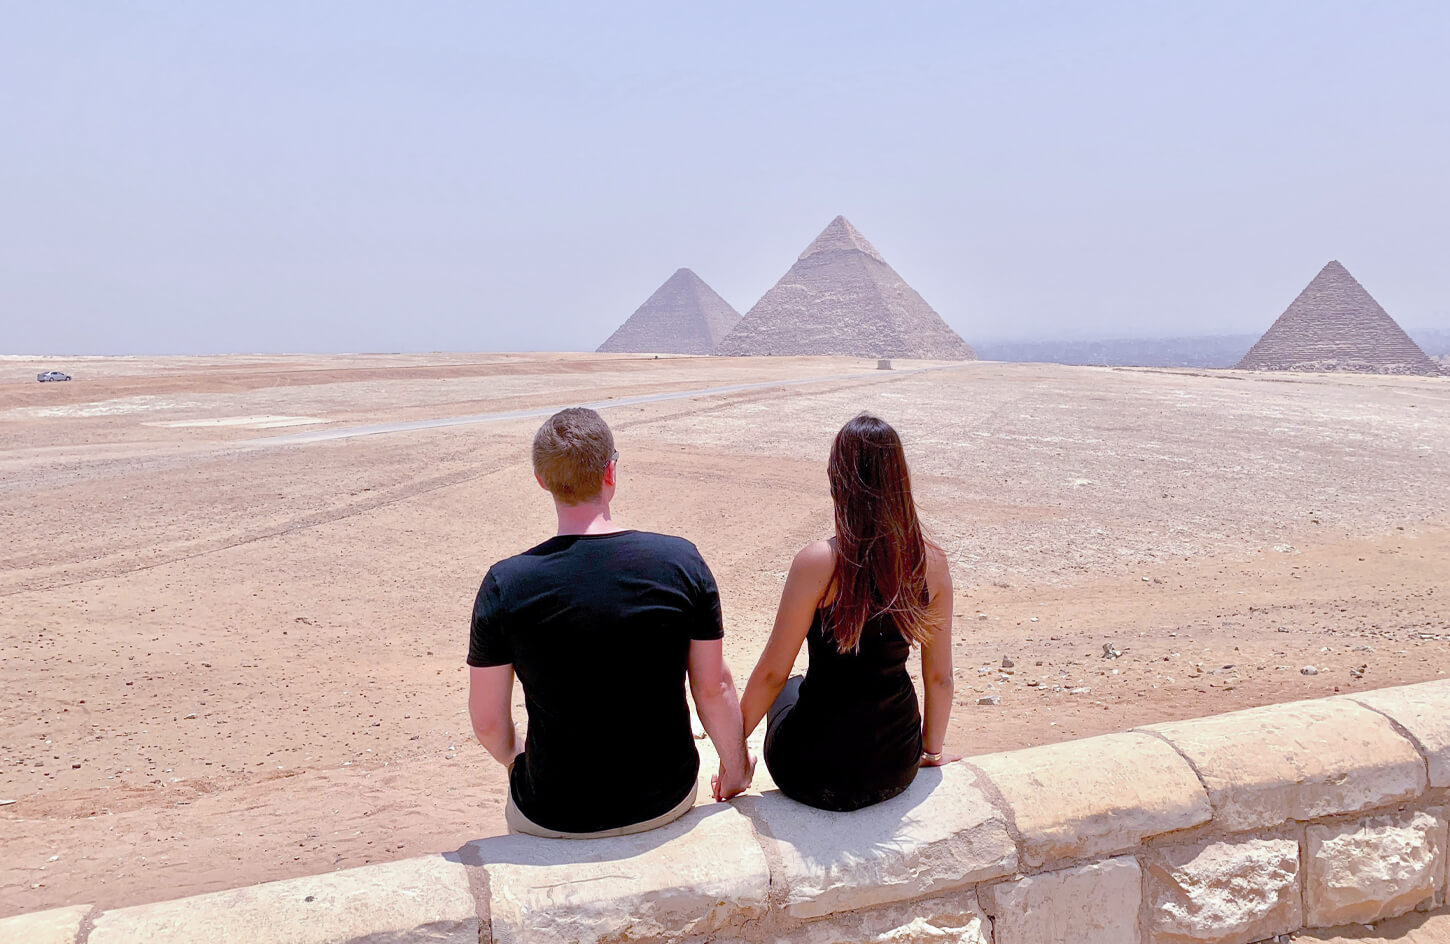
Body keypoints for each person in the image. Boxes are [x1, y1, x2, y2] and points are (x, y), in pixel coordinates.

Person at [467, 407, 754, 838]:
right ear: (611, 472)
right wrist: (735, 770)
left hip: (552, 811)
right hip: (666, 799)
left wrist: (516, 759)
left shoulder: (505, 584)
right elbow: (713, 688)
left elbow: (488, 721)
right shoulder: (679, 562)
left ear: (541, 480)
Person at [735, 413, 957, 811]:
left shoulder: (818, 563)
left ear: (839, 480)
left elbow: (772, 674)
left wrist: (733, 761)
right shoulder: (930, 564)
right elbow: (939, 678)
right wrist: (931, 752)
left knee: (789, 687)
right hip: (896, 767)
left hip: (808, 772)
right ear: (900, 480)